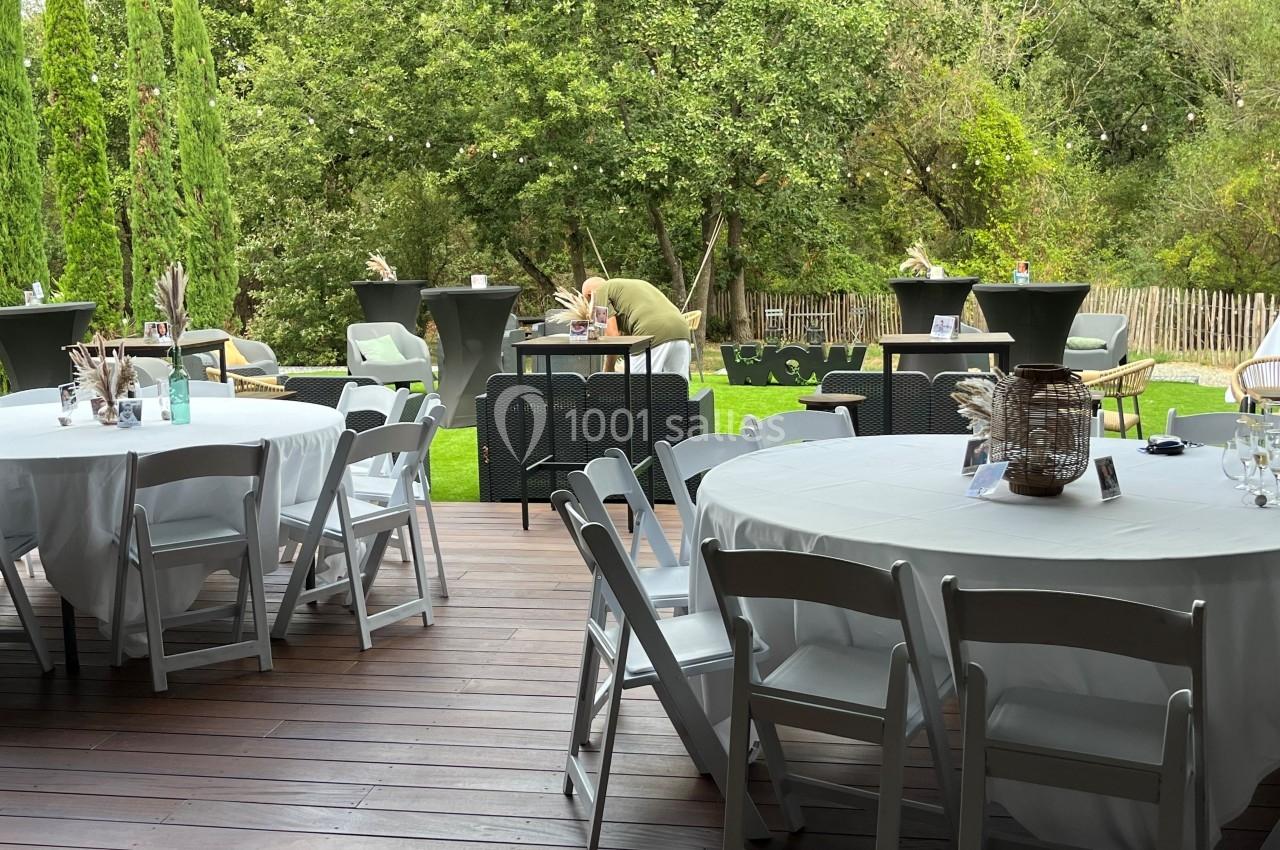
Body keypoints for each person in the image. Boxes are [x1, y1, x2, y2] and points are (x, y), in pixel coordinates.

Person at [580, 276, 691, 375]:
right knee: (677, 390)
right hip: (681, 330)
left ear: (590, 296)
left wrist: (608, 370)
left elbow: (612, 338)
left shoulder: (599, 292)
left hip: (650, 333)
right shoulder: (633, 285)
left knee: (638, 390)